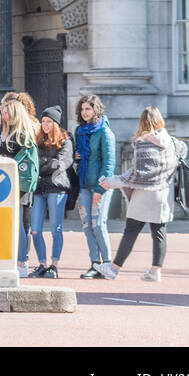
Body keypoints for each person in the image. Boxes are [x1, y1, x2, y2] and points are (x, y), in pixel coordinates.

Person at [98, 106, 187, 283]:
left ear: (142, 122)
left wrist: (113, 182)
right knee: (159, 234)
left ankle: (114, 269)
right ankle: (155, 271)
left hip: (143, 195)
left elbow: (136, 173)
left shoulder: (142, 142)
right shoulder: (172, 142)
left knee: (131, 231)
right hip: (163, 195)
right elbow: (183, 152)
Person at [74, 93, 118, 279]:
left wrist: (101, 190)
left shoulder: (105, 132)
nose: (85, 112)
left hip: (101, 186)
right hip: (84, 184)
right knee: (87, 225)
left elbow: (109, 163)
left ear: (96, 110)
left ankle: (107, 264)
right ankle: (95, 264)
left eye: (88, 109)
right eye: (82, 109)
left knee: (99, 224)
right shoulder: (80, 131)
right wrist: (78, 156)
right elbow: (83, 156)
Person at [28, 106, 74, 279]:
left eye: (49, 121)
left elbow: (61, 164)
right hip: (39, 189)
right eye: (43, 121)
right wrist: (47, 164)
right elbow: (34, 163)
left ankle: (54, 266)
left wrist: (42, 164)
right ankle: (42, 264)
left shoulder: (66, 141)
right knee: (36, 230)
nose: (45, 125)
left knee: (56, 229)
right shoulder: (37, 140)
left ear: (55, 123)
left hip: (57, 188)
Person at [0, 97, 40, 277]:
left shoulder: (19, 135)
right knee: (20, 224)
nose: (3, 115)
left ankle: (21, 261)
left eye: (6, 112)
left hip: (19, 183)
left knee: (20, 224)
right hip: (20, 183)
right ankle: (19, 260)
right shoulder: (21, 133)